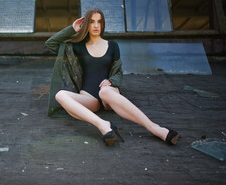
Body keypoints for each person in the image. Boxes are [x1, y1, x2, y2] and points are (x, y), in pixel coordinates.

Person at [45, 8, 179, 146]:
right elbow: (51, 44)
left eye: (99, 22)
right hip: (89, 98)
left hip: (109, 94)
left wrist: (111, 81)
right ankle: (103, 125)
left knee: (105, 91)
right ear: (86, 25)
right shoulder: (78, 47)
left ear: (103, 24)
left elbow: (118, 72)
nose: (96, 25)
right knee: (60, 95)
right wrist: (72, 28)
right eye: (91, 22)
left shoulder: (112, 46)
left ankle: (155, 128)